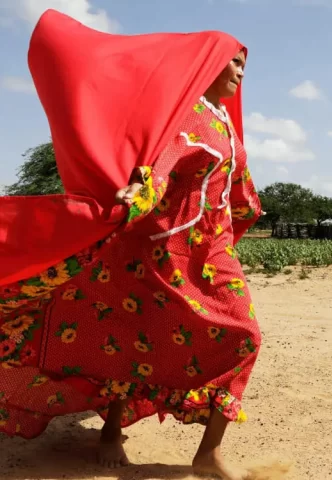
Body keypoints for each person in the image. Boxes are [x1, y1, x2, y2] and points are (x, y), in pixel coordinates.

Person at [0, 10, 261, 480]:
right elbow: (159, 168)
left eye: (245, 65)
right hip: (159, 248)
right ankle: (111, 427)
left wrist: (246, 208)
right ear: (211, 64)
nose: (241, 73)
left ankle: (208, 454)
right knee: (127, 332)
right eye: (235, 62)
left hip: (211, 250)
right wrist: (137, 194)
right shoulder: (186, 119)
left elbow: (236, 180)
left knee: (244, 335)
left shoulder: (225, 124)